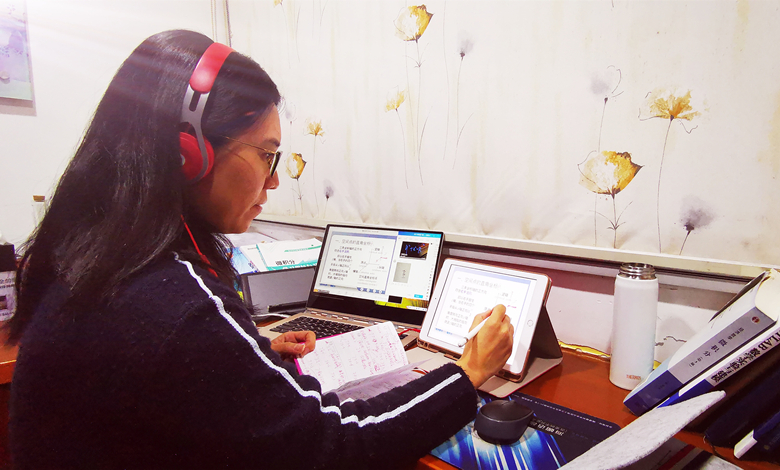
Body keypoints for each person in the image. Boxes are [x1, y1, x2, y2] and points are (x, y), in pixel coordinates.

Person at [6, 30, 514, 469]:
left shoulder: (82, 258)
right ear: (189, 153)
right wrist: (468, 372)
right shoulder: (177, 301)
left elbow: (154, 376)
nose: (273, 181)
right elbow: (337, 443)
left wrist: (244, 360)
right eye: (268, 154)